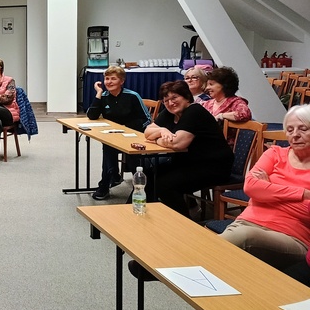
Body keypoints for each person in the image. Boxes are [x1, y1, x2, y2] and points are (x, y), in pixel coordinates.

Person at [195, 104, 310, 310]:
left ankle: (184, 265)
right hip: (247, 222)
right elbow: (251, 188)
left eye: (303, 129)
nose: (295, 135)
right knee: (230, 261)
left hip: (292, 238)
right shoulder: (275, 153)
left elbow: (303, 211)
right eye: (290, 129)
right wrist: (301, 193)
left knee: (240, 239)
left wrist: (270, 189)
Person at [143, 80, 233, 217]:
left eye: (174, 98)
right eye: (166, 100)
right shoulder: (170, 113)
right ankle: (139, 214)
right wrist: (162, 130)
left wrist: (156, 139)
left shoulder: (194, 111)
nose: (170, 103)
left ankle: (184, 222)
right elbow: (147, 132)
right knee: (148, 175)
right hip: (189, 162)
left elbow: (177, 144)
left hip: (213, 166)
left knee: (164, 185)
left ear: (186, 97)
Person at [85, 66, 152, 200]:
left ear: (121, 81)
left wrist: (127, 129)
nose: (109, 82)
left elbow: (147, 119)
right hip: (112, 136)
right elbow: (92, 115)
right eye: (106, 79)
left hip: (132, 136)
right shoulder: (104, 96)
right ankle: (108, 181)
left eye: (113, 79)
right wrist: (98, 93)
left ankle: (133, 185)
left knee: (131, 158)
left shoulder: (132, 96)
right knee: (108, 147)